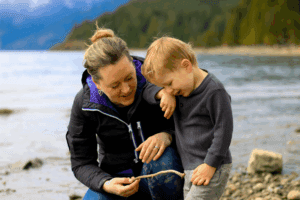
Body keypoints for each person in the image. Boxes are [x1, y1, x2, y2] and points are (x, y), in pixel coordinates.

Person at [66, 27, 184, 200]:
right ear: (96, 83)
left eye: (130, 77)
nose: (126, 89)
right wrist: (105, 183)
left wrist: (167, 135)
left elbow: (195, 122)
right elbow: (81, 163)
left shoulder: (157, 78)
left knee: (162, 161)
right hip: (116, 181)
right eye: (115, 86)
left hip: (162, 174)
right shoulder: (84, 104)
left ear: (133, 63)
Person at [141, 36, 233, 200]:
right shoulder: (180, 88)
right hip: (189, 166)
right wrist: (163, 94)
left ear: (186, 66)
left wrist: (210, 165)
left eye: (169, 84)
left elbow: (224, 130)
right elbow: (146, 91)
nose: (169, 90)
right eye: (164, 87)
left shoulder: (214, 91)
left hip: (212, 166)